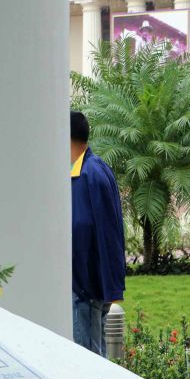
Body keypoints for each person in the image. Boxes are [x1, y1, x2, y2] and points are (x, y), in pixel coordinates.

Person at [70, 110, 125, 357]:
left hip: (86, 286)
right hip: (96, 283)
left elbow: (81, 228)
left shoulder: (86, 175)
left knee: (89, 358)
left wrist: (84, 286)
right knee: (96, 354)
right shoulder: (96, 168)